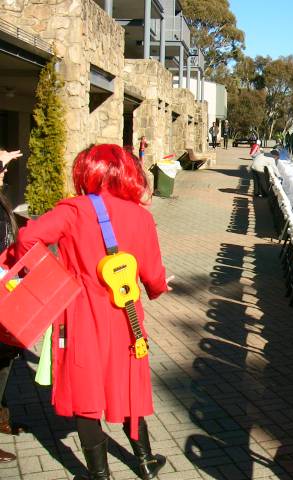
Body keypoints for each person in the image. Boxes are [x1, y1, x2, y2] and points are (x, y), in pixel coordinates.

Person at [13, 144, 172, 480]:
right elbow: (154, 277)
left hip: (80, 315)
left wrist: (54, 274)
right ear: (127, 172)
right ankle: (145, 464)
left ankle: (99, 475)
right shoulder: (141, 216)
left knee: (86, 387)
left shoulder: (72, 211)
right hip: (127, 318)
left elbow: (26, 238)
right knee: (128, 382)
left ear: (88, 172)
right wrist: (157, 290)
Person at [0, 148, 24, 464]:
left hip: (6, 287)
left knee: (6, 356)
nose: (3, 170)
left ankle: (2, 418)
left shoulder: (2, 200)